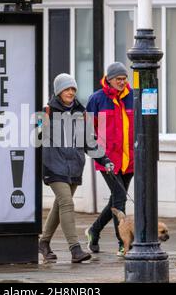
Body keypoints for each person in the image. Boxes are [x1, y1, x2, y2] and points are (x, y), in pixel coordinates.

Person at [39, 73, 114, 263]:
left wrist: (104, 159)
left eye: (73, 89)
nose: (70, 92)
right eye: (66, 89)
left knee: (60, 205)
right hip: (53, 166)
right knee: (67, 203)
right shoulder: (47, 112)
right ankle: (75, 249)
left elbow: (90, 142)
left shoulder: (83, 113)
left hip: (73, 167)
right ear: (58, 92)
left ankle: (44, 242)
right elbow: (36, 139)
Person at [85, 62, 134, 257]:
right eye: (118, 79)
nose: (122, 82)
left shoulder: (133, 97)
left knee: (116, 200)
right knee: (120, 199)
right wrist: (98, 153)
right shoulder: (96, 99)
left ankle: (94, 231)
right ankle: (123, 243)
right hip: (107, 159)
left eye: (124, 79)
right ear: (109, 79)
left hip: (129, 159)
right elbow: (87, 131)